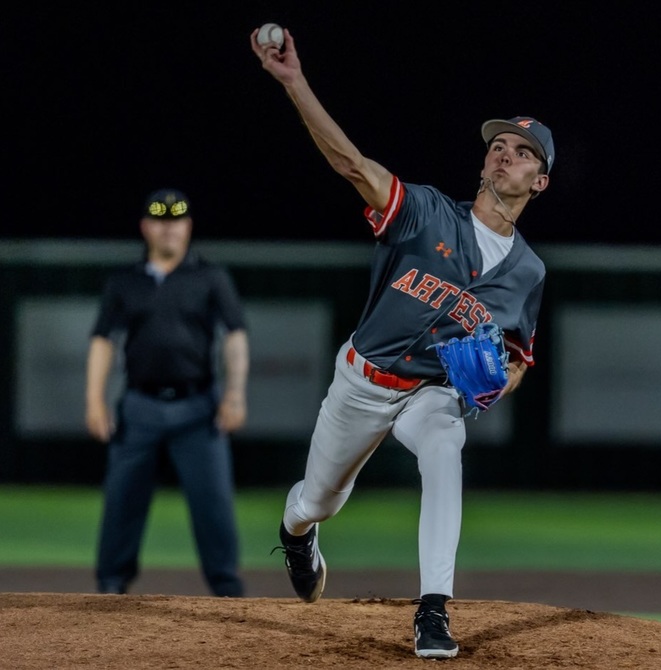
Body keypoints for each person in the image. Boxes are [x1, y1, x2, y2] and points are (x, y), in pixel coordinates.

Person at [250, 27, 553, 658]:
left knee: (447, 445)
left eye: (522, 152)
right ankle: (296, 531)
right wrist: (293, 82)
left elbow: (517, 359)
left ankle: (434, 609)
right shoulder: (423, 212)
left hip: (430, 393)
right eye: (498, 145)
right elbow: (351, 164)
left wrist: (498, 381)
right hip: (363, 381)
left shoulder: (528, 273)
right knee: (318, 500)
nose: (504, 155)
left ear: (540, 181)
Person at [84, 188, 250, 598]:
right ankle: (111, 585)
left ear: (188, 226)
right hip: (140, 407)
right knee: (122, 503)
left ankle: (227, 591)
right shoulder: (125, 281)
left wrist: (235, 394)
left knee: (214, 507)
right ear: (146, 227)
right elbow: (103, 340)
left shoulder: (210, 277)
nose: (169, 228)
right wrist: (93, 400)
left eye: (177, 220)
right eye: (160, 220)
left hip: (198, 409)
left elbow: (235, 335)